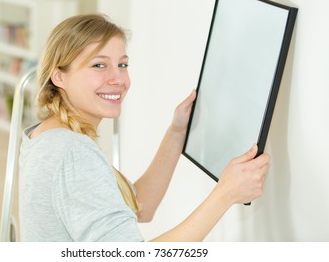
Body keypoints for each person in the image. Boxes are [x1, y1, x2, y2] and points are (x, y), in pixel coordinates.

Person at [18, 14, 269, 242]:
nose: (118, 79)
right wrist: (225, 193)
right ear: (59, 76)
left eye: (123, 65)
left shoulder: (46, 134)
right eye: (99, 65)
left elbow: (140, 206)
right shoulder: (72, 154)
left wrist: (177, 132)